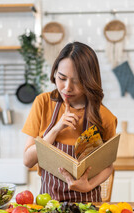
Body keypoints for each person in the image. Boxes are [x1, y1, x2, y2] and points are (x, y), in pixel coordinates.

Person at [22, 42, 117, 202]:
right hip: (49, 208)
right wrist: (55, 129)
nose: (67, 88)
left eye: (77, 81)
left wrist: (88, 185)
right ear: (54, 73)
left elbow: (108, 166)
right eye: (62, 78)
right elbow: (28, 160)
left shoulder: (104, 116)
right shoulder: (43, 103)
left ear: (89, 80)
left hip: (88, 209)